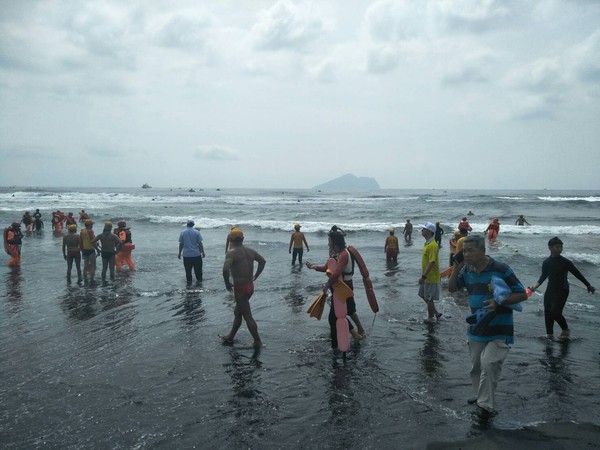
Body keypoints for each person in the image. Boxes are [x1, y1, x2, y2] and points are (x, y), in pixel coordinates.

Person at [448, 234, 528, 420]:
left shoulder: (501, 269)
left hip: (500, 328)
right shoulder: (466, 270)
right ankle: (480, 397)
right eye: (464, 251)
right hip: (477, 327)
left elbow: (522, 294)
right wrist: (456, 267)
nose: (466, 254)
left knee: (489, 364)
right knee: (476, 367)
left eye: (470, 251)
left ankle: (486, 407)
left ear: (482, 251)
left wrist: (499, 302)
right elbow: (452, 288)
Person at [307, 225, 366, 347]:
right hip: (341, 286)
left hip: (343, 287)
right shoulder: (338, 254)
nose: (328, 245)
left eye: (329, 242)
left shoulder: (343, 255)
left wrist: (327, 285)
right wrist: (313, 267)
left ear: (335, 244)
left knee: (336, 315)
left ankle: (352, 336)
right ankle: (358, 332)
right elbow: (327, 267)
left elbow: (337, 272)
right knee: (348, 311)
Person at [530, 237, 596, 340]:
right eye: (557, 247)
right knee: (548, 312)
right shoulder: (546, 262)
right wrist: (536, 286)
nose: (560, 249)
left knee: (555, 312)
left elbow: (577, 274)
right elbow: (543, 276)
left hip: (562, 290)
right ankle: (549, 335)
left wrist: (588, 285)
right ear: (550, 248)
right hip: (550, 289)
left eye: (561, 247)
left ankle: (565, 329)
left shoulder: (565, 262)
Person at [220, 227, 266, 347]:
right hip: (250, 286)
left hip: (240, 289)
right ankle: (230, 336)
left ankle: (257, 341)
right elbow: (262, 261)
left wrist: (226, 283)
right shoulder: (250, 251)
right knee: (238, 312)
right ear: (243, 239)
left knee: (248, 316)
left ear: (230, 239)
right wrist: (256, 275)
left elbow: (225, 269)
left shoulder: (231, 253)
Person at [418, 222, 442, 323]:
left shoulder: (432, 245)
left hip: (431, 277)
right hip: (427, 276)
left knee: (429, 298)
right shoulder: (428, 243)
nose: (422, 230)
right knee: (423, 295)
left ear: (429, 232)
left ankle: (431, 317)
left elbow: (432, 262)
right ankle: (436, 313)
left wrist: (423, 276)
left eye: (424, 229)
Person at [80, 219, 97, 283]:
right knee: (93, 266)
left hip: (84, 250)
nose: (92, 225)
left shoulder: (82, 231)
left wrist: (82, 252)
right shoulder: (90, 231)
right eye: (92, 224)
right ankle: (92, 279)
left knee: (85, 266)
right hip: (91, 250)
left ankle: (85, 279)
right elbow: (93, 241)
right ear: (90, 225)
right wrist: (98, 250)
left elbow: (80, 242)